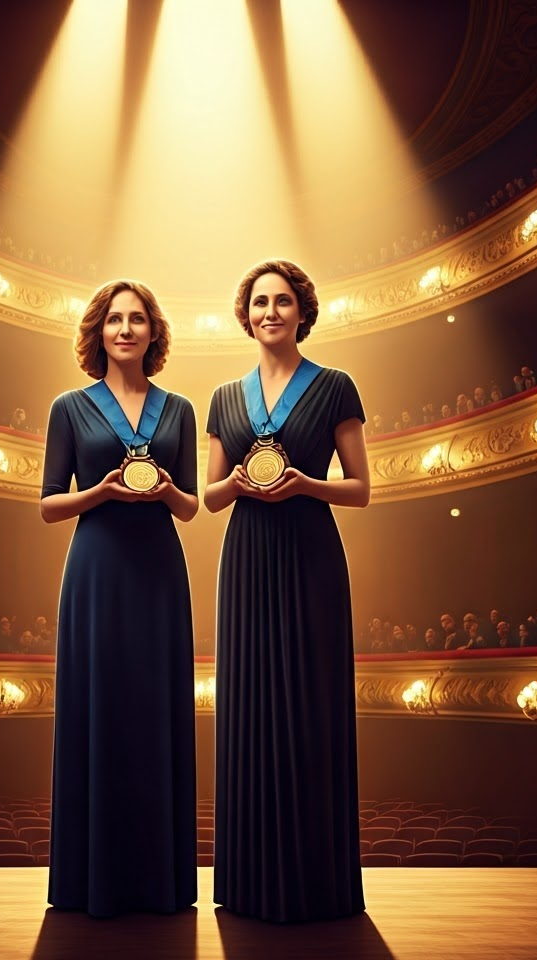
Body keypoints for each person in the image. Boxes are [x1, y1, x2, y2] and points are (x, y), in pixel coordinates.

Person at [205, 258, 370, 923]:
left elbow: (360, 489)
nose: (270, 312)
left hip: (309, 552)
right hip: (245, 556)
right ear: (246, 315)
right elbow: (211, 496)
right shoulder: (223, 397)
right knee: (248, 711)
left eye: (282, 301)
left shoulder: (335, 386)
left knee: (310, 708)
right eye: (260, 303)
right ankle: (248, 885)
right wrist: (241, 485)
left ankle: (318, 884)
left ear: (302, 310)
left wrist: (304, 484)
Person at [40, 279, 198, 918]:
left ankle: (159, 883)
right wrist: (100, 492)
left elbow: (190, 507)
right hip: (98, 571)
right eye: (114, 320)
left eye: (137, 320)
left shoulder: (180, 408)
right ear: (98, 332)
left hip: (159, 572)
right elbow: (50, 505)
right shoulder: (69, 406)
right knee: (98, 712)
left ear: (153, 332)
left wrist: (162, 492)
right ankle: (90, 883)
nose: (126, 329)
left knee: (154, 716)